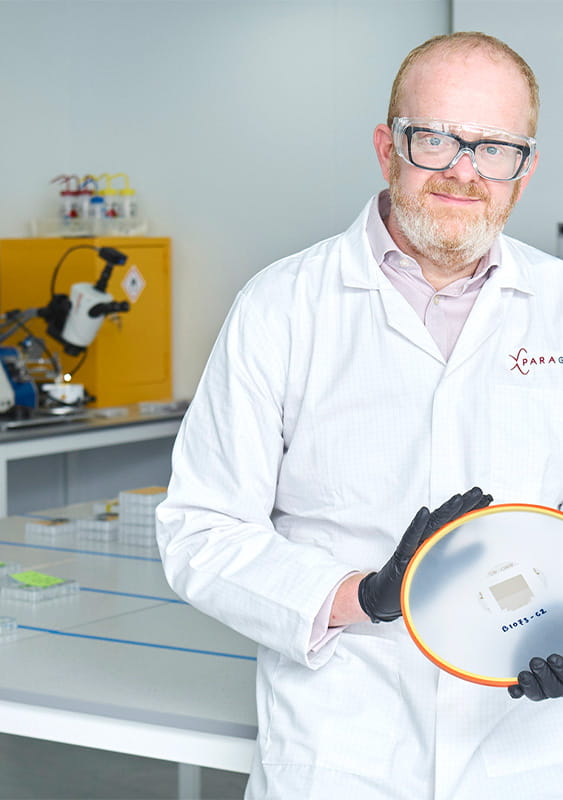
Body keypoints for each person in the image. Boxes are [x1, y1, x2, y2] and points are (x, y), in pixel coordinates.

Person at [156, 31, 563, 799]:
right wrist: (362, 595)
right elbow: (200, 529)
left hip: (529, 751)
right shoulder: (281, 306)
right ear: (386, 147)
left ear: (524, 169)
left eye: (493, 148)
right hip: (342, 747)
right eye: (434, 138)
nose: (463, 171)